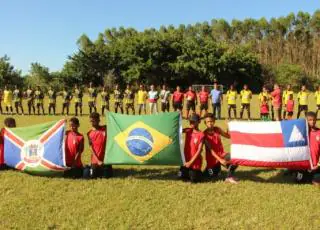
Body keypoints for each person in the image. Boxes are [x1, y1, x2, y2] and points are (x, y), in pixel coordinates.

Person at [203, 113, 238, 183]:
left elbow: (228, 136)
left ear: (214, 121)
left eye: (211, 121)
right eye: (208, 122)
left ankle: (229, 177)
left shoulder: (217, 129)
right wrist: (220, 160)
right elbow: (211, 151)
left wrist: (229, 126)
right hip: (212, 160)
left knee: (235, 159)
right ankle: (210, 170)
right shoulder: (204, 134)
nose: (210, 123)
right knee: (211, 177)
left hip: (222, 155)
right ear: (205, 123)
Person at [294, 112, 320, 185]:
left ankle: (313, 177)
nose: (312, 122)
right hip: (304, 165)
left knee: (316, 182)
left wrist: (318, 165)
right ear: (306, 121)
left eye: (314, 120)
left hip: (315, 166)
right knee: (298, 181)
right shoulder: (302, 132)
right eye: (310, 120)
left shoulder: (319, 132)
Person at [178, 113, 204, 183]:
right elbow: (177, 130)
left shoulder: (201, 134)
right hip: (185, 161)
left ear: (199, 122)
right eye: (190, 121)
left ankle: (199, 172)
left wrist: (190, 162)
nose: (191, 123)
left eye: (193, 121)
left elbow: (199, 151)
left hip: (194, 162)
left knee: (194, 180)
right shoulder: (188, 130)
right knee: (181, 177)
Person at [86, 112, 113, 178]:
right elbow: (91, 148)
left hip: (106, 160)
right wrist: (98, 161)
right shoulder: (89, 133)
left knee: (107, 176)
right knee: (92, 176)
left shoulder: (105, 128)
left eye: (93, 121)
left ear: (98, 120)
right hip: (95, 160)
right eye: (91, 121)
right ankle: (89, 166)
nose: (92, 123)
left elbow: (114, 125)